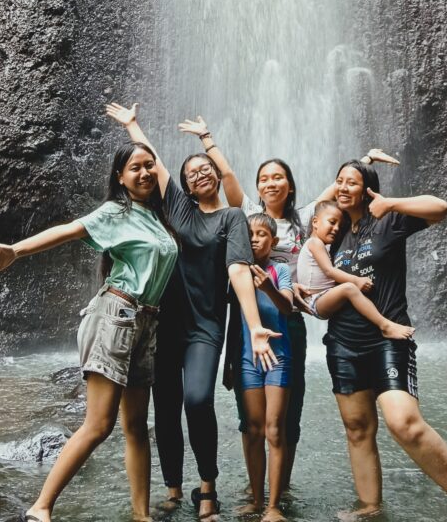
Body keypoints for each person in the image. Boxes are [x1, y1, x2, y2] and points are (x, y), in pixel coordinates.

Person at [179, 116, 399, 490]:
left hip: (288, 321)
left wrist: (366, 161)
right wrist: (207, 140)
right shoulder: (248, 215)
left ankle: (279, 488)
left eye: (278, 177)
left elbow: (338, 191)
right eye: (264, 178)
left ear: (290, 184)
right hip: (248, 324)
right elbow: (228, 178)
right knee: (251, 419)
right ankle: (254, 488)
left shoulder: (304, 221)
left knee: (286, 414)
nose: (270, 183)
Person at [0, 141, 179, 522]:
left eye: (150, 165)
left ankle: (141, 515)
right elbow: (67, 230)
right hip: (116, 315)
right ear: (120, 177)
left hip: (146, 321)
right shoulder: (115, 211)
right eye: (135, 168)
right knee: (99, 425)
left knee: (135, 425)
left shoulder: (155, 216)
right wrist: (15, 251)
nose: (145, 172)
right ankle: (41, 507)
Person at [105, 103, 280, 521]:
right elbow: (154, 165)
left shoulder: (233, 217)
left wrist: (254, 326)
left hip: (206, 324)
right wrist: (133, 127)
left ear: (217, 175)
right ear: (184, 184)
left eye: (206, 169)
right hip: (165, 321)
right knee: (164, 406)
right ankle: (172, 487)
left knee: (198, 400)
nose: (199, 174)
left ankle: (207, 485)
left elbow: (238, 269)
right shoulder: (179, 210)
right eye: (191, 173)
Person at [321, 160, 447, 522]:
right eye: (339, 182)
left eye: (352, 182)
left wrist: (391, 202)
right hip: (343, 342)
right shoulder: (331, 231)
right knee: (357, 430)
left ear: (367, 189)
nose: (344, 187)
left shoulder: (388, 220)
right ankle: (368, 507)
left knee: (403, 422)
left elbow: (440, 208)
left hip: (388, 337)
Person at [234, 213, 294, 522]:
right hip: (248, 359)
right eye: (250, 234)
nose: (255, 239)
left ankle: (273, 507)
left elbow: (288, 306)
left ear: (274, 241)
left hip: (278, 357)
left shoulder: (280, 269)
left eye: (261, 234)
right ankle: (256, 501)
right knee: (253, 430)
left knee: (274, 429)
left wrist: (268, 287)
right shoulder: (237, 272)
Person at [298, 200, 415, 341]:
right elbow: (329, 271)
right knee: (349, 288)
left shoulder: (320, 245)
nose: (336, 228)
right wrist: (356, 280)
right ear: (315, 222)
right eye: (332, 222)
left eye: (340, 226)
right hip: (317, 300)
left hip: (322, 299)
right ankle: (385, 325)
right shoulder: (315, 243)